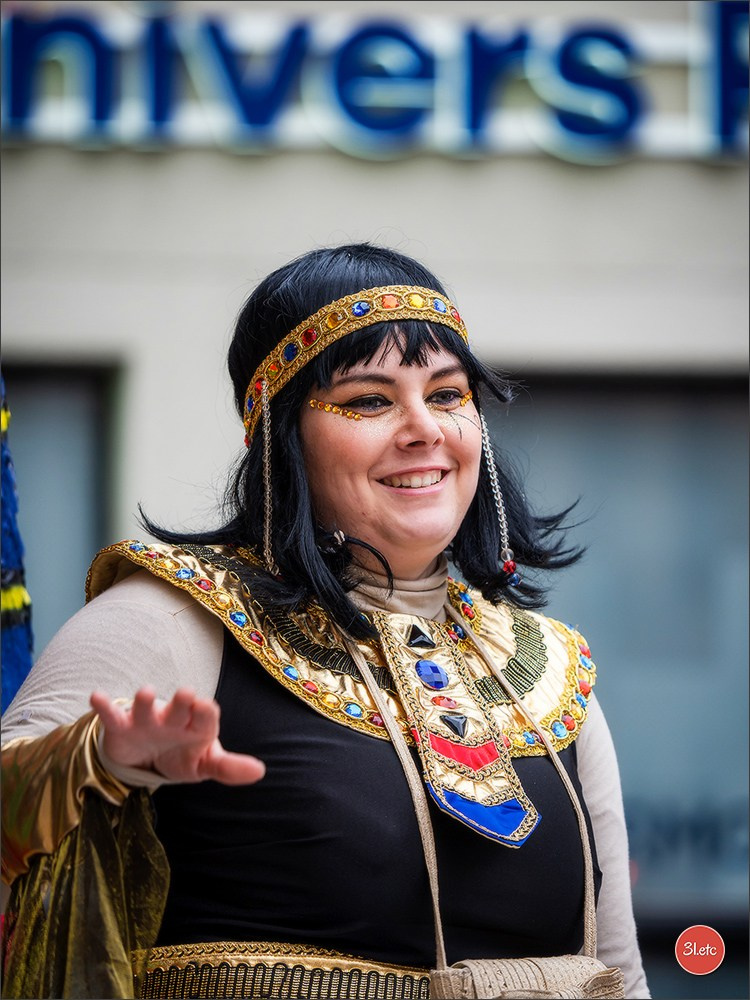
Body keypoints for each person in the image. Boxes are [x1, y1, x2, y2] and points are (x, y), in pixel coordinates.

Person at [1, 243, 650, 999]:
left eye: (447, 395)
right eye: (370, 401)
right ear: (283, 441)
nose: (424, 429)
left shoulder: (549, 667)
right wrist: (94, 760)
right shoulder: (175, 614)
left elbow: (621, 975)